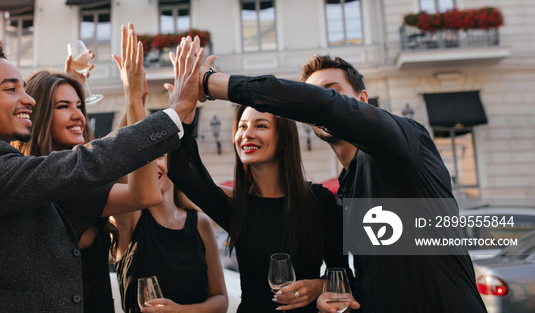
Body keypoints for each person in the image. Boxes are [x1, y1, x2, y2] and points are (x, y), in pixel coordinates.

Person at [0, 32, 203, 312]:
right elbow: (81, 164)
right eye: (11, 89)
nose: (29, 100)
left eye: (25, 88)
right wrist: (176, 110)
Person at [193, 52, 486, 313]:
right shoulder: (345, 188)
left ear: (361, 100)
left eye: (332, 93)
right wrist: (326, 289)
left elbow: (328, 108)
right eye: (313, 97)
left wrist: (210, 83)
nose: (320, 103)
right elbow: (368, 281)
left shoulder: (403, 142)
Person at [13, 24, 163, 312]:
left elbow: (114, 154)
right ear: (42, 114)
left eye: (80, 105)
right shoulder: (55, 179)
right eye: (63, 106)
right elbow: (143, 193)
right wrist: (133, 102)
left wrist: (135, 102)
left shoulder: (68, 173)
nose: (79, 115)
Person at [167, 100, 346, 313]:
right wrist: (184, 107)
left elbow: (343, 274)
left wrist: (317, 286)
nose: (247, 134)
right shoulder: (234, 205)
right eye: (242, 126)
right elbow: (180, 171)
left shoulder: (319, 200)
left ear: (282, 138)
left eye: (260, 125)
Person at [114, 155, 228, 313]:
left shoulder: (200, 223)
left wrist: (181, 310)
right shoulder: (130, 218)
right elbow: (117, 162)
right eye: (146, 157)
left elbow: (221, 299)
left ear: (175, 165)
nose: (151, 164)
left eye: (159, 156)